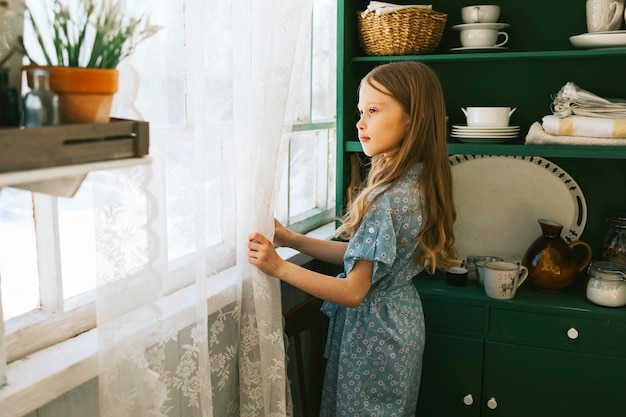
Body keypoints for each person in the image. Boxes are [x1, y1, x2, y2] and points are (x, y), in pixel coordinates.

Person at [247, 61, 457, 416]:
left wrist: (277, 267)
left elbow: (353, 290)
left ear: (413, 117)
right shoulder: (419, 182)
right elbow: (364, 256)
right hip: (401, 325)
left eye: (373, 110)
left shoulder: (387, 199)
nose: (360, 122)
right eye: (361, 111)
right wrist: (292, 239)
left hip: (373, 338)